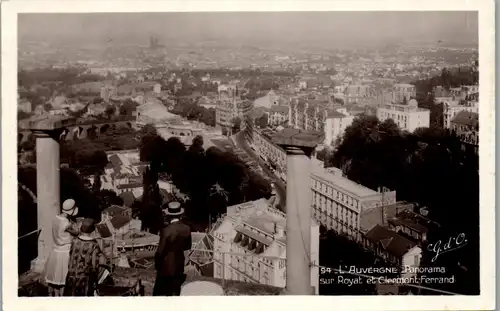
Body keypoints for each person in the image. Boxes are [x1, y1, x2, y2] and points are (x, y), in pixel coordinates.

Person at [153, 201, 192, 296]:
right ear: (180, 214)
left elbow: (160, 252)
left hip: (165, 268)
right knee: (175, 293)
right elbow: (187, 247)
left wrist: (157, 265)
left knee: (160, 295)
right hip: (179, 266)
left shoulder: (166, 230)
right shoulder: (186, 228)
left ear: (169, 215)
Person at [44, 199, 79, 296]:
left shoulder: (56, 218)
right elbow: (77, 232)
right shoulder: (66, 223)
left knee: (54, 278)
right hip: (64, 251)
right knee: (63, 279)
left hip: (55, 250)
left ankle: (53, 297)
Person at [64, 218, 106, 296]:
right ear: (92, 230)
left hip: (71, 276)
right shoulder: (94, 245)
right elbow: (94, 266)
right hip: (84, 280)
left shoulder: (74, 241)